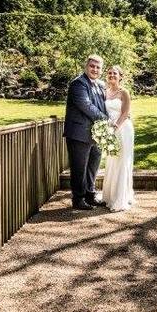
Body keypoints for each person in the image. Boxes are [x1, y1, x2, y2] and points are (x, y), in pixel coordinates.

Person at [63, 54, 108, 210]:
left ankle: (90, 195)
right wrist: (107, 120)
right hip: (79, 134)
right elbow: (86, 106)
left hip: (97, 135)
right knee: (79, 168)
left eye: (98, 67)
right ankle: (78, 199)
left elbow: (106, 104)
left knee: (92, 168)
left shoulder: (101, 85)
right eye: (92, 66)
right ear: (86, 66)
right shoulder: (78, 84)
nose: (94, 69)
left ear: (101, 70)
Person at [102, 65, 135, 212]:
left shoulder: (124, 92)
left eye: (114, 73)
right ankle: (110, 196)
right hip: (110, 129)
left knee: (122, 161)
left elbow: (125, 113)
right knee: (111, 161)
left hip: (123, 129)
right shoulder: (105, 92)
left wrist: (115, 127)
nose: (111, 75)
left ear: (120, 76)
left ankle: (121, 198)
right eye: (109, 73)